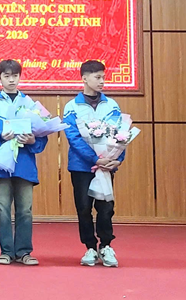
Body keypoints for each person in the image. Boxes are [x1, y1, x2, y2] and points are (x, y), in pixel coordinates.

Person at [0, 60, 47, 266]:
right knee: (3, 209)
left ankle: (24, 251)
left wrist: (33, 141)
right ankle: (7, 251)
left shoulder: (31, 104)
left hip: (24, 164)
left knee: (25, 209)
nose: (11, 80)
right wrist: (0, 135)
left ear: (19, 77)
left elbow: (42, 135)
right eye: (7, 76)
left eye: (15, 76)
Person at [63, 60, 124, 268]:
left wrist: (116, 159)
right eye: (97, 77)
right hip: (81, 166)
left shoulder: (112, 105)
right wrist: (94, 159)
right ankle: (90, 247)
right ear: (84, 78)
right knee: (83, 207)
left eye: (103, 77)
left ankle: (106, 246)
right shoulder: (72, 107)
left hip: (106, 166)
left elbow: (120, 135)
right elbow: (73, 137)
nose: (102, 81)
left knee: (106, 208)